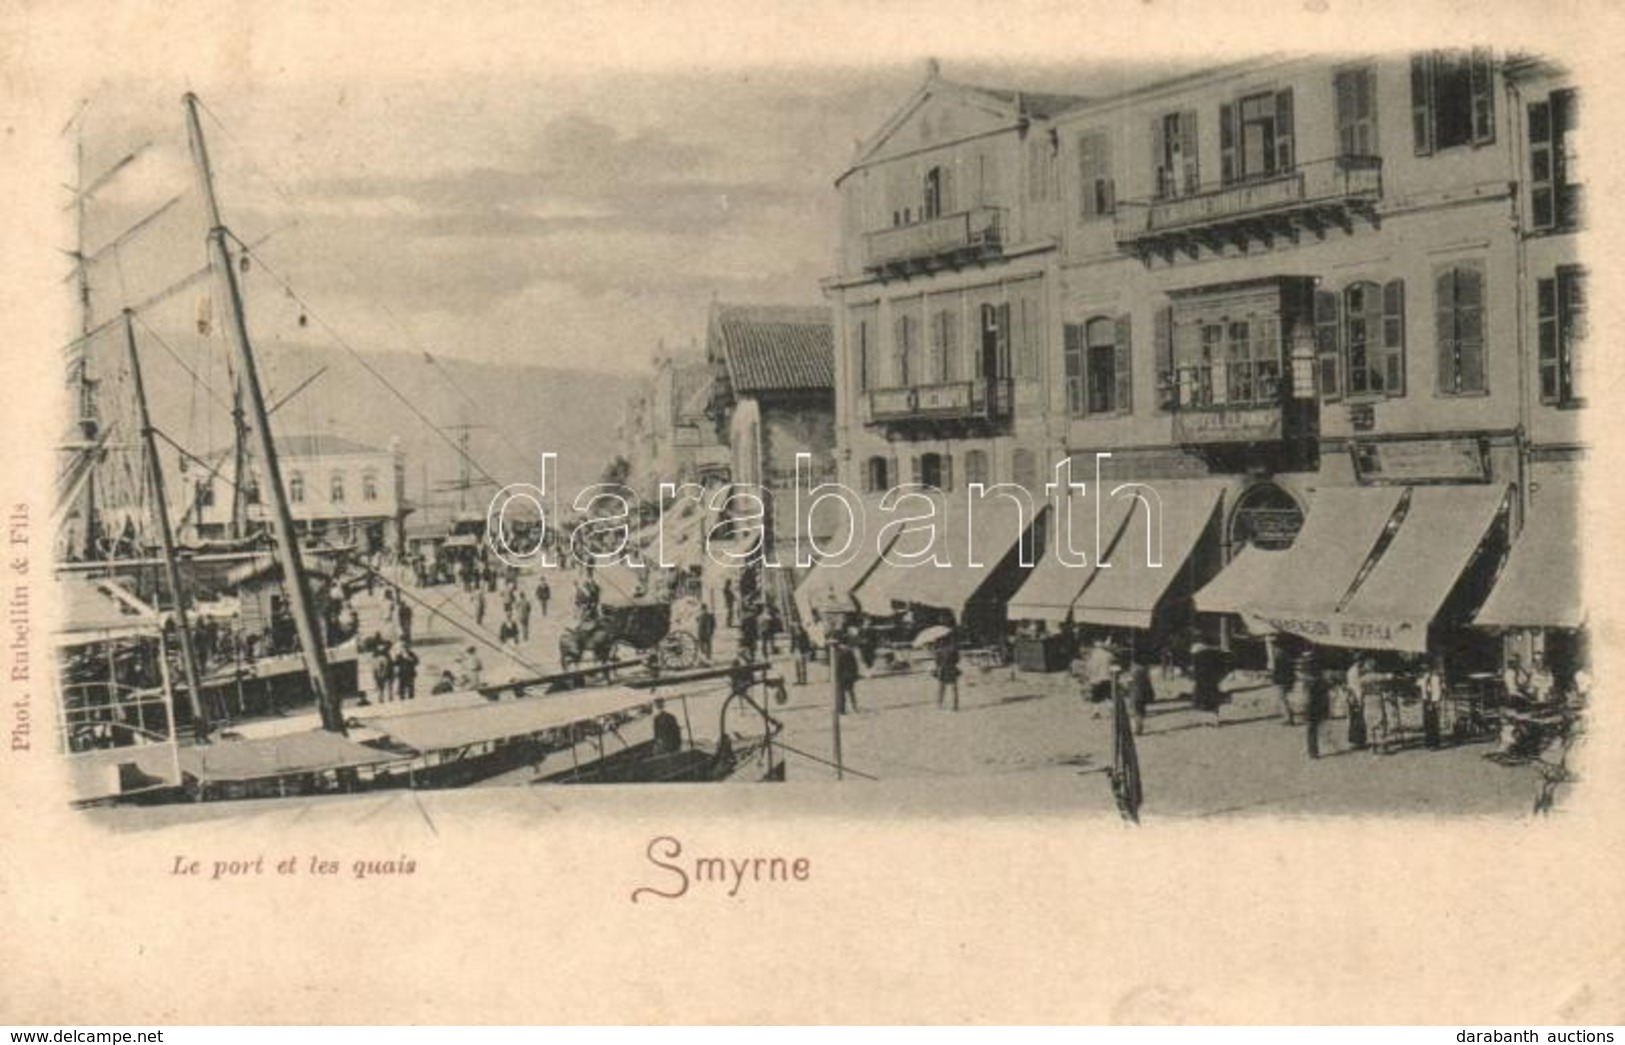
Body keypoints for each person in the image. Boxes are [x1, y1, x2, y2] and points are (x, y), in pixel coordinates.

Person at [1420, 656, 1445, 750]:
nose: (1424, 669)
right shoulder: (1424, 677)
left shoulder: (1435, 678)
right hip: (1425, 700)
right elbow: (1420, 686)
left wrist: (1434, 702)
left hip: (1432, 701)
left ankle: (1434, 743)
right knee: (1427, 722)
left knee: (1433, 723)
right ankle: (1428, 741)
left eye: (1426, 667)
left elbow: (1437, 691)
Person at [1346, 655, 1370, 751]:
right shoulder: (1356, 671)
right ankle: (1359, 741)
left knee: (1354, 719)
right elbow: (1358, 686)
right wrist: (1360, 700)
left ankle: (1356, 741)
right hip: (1356, 697)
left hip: (1352, 696)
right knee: (1358, 720)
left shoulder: (1351, 670)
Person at [1271, 639, 1297, 725]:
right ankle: (1289, 716)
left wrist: (1274, 678)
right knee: (1284, 698)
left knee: (1282, 699)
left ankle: (1288, 718)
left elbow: (1278, 671)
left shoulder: (1279, 657)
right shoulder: (1288, 656)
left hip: (1282, 680)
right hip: (1288, 679)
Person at [934, 634, 961, 712]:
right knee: (953, 688)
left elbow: (937, 662)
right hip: (952, 668)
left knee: (941, 688)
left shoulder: (939, 650)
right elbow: (957, 659)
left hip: (943, 669)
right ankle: (955, 706)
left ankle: (940, 704)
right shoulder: (953, 649)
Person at [1128, 657, 1154, 736]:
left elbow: (1129, 683)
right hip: (1143, 694)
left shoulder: (1133, 672)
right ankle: (1140, 727)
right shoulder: (1145, 671)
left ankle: (1137, 728)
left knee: (1136, 711)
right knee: (1141, 711)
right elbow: (1148, 684)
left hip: (1135, 694)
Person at [834, 638, 860, 715]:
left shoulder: (838, 653)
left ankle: (841, 709)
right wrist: (855, 675)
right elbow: (855, 665)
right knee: (851, 692)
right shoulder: (850, 651)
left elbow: (837, 666)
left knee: (841, 693)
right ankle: (854, 706)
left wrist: (835, 675)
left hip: (842, 675)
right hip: (850, 675)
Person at [369, 638, 393, 703]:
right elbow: (373, 661)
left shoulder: (385, 650)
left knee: (390, 680)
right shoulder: (376, 652)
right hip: (379, 668)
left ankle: (390, 694)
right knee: (380, 680)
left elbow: (390, 644)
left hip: (387, 668)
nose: (380, 646)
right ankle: (381, 695)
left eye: (381, 645)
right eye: (379, 645)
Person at [790, 620, 810, 686]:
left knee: (802, 665)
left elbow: (807, 642)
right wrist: (792, 649)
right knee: (797, 665)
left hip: (802, 650)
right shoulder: (794, 633)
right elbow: (792, 642)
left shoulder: (804, 633)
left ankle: (804, 680)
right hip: (796, 650)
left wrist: (806, 650)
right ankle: (798, 679)